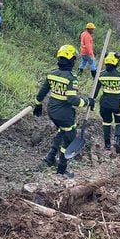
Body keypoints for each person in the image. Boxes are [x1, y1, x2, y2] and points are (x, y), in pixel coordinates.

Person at [34, 45, 90, 178]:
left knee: (62, 131)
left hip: (52, 111)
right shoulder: (71, 78)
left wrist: (38, 104)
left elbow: (42, 92)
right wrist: (87, 102)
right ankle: (61, 168)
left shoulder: (52, 74)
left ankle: (49, 158)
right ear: (71, 60)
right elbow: (72, 100)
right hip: (64, 114)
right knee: (69, 138)